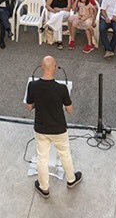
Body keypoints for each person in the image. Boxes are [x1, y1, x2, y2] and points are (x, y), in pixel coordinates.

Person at [25, 55, 82, 199]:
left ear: (41, 67)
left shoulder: (32, 86)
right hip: (58, 129)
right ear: (55, 68)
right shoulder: (62, 89)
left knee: (42, 158)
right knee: (65, 154)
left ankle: (44, 188)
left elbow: (29, 107)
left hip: (41, 128)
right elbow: (70, 109)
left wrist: (40, 101)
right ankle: (71, 179)